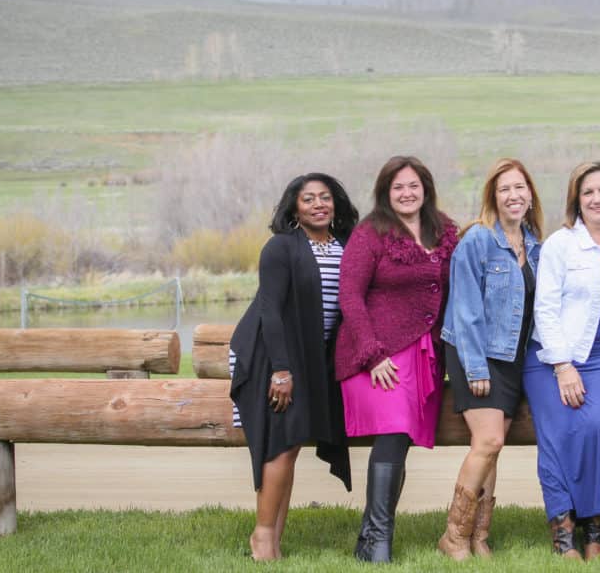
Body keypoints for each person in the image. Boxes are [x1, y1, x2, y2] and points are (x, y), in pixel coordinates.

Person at [335, 155, 458, 563]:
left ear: (426, 187)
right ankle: (378, 542)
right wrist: (372, 354)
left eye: (413, 186)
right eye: (398, 187)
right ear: (386, 193)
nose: (407, 193)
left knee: (400, 438)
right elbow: (349, 296)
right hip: (376, 355)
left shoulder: (444, 230)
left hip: (425, 353)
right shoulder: (371, 233)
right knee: (394, 430)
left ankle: (370, 539)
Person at [229, 172, 357, 561]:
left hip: (311, 358)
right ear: (295, 208)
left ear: (335, 203)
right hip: (272, 354)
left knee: (291, 445)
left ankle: (273, 539)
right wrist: (281, 370)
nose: (319, 204)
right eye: (308, 199)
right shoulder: (281, 248)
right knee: (280, 445)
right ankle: (262, 538)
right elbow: (270, 310)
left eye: (325, 197)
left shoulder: (346, 245)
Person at [522, 161, 600, 561]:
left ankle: (595, 523)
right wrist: (563, 366)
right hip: (551, 357)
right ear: (577, 200)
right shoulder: (561, 244)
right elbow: (546, 309)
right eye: (587, 192)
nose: (596, 199)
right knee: (558, 430)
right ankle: (563, 527)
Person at [436, 158, 544, 559]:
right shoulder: (478, 241)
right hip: (475, 353)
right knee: (489, 440)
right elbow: (464, 311)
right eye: (504, 190)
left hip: (512, 356)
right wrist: (476, 367)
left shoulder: (534, 245)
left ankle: (479, 536)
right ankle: (453, 536)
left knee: (493, 449)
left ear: (530, 195)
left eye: (519, 187)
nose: (513, 195)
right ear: (493, 198)